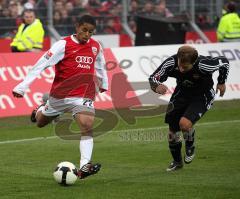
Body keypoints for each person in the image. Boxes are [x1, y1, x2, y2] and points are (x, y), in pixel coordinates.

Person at [12, 15, 108, 179]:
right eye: (84, 30)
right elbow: (41, 65)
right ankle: (41, 109)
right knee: (41, 122)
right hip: (60, 95)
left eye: (90, 32)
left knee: (87, 126)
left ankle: (85, 165)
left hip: (83, 94)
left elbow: (100, 65)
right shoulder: (63, 44)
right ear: (76, 26)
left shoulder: (95, 46)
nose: (86, 34)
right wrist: (22, 86)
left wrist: (103, 83)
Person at [149, 45, 229, 171]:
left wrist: (221, 82)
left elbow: (224, 62)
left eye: (185, 67)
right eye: (180, 64)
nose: (180, 69)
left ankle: (190, 145)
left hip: (202, 96)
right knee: (172, 132)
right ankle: (177, 162)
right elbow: (153, 77)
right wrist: (156, 86)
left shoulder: (204, 65)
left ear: (194, 62)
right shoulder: (172, 62)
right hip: (181, 94)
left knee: (184, 124)